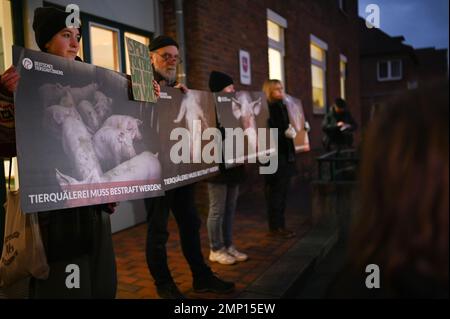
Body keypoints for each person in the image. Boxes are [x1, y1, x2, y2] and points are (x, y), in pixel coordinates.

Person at [0, 7, 161, 299]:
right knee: (64, 287)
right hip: (52, 210)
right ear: (46, 41)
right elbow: (7, 145)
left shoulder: (98, 80)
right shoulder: (24, 78)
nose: (75, 43)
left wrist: (147, 96)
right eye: (65, 35)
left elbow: (122, 138)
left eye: (77, 36)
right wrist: (3, 95)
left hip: (92, 207)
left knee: (100, 283)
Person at [327, 84, 449, 298]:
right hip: (298, 154)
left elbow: (354, 125)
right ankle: (277, 225)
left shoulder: (365, 276)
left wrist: (346, 127)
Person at [145, 36, 235, 299]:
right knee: (158, 229)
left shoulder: (177, 89)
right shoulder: (138, 85)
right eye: (165, 55)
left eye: (175, 56)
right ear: (151, 57)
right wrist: (143, 96)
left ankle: (201, 276)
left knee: (190, 222)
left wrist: (185, 100)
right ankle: (164, 284)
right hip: (155, 172)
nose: (171, 60)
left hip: (180, 167)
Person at [206, 71, 247, 265]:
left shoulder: (233, 108)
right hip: (218, 168)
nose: (234, 89)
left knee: (230, 208)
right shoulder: (209, 109)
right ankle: (216, 248)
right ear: (220, 89)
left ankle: (228, 245)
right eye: (230, 87)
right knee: (217, 209)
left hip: (234, 166)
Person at [262, 79, 297, 239]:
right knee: (274, 193)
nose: (280, 92)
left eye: (281, 88)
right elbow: (268, 132)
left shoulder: (284, 107)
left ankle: (280, 225)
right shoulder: (267, 108)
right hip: (272, 156)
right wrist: (284, 134)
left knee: (282, 192)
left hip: (284, 154)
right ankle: (275, 227)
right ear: (269, 92)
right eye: (276, 89)